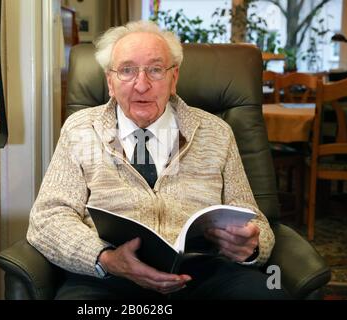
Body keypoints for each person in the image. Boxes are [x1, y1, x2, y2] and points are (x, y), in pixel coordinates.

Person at [27, 20, 289, 300]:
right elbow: (48, 218)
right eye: (127, 70)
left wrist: (250, 246)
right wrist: (104, 258)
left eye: (155, 70)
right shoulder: (80, 130)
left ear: (173, 78)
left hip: (205, 273)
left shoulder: (216, 132)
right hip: (110, 274)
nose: (142, 85)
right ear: (110, 82)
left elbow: (255, 220)